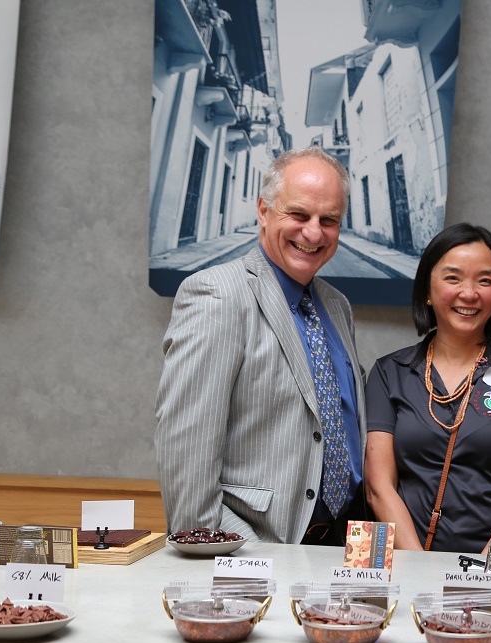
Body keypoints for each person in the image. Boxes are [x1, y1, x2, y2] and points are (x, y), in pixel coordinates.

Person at [155, 146, 365, 545]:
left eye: (330, 219)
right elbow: (188, 458)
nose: (314, 232)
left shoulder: (337, 307)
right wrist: (247, 560)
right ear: (264, 210)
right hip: (258, 550)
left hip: (341, 545)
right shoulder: (217, 295)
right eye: (299, 214)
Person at [364, 223, 491, 553]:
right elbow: (379, 487)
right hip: (410, 563)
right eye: (453, 278)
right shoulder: (389, 373)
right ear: (427, 288)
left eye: (485, 280)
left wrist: (484, 571)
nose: (469, 293)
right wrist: (418, 565)